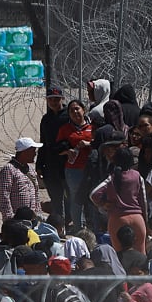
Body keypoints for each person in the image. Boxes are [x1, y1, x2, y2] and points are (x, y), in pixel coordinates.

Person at [90, 147, 149, 254]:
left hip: (117, 219)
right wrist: (145, 220)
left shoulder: (112, 178)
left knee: (119, 254)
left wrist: (103, 204)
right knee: (141, 253)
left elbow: (93, 194)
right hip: (137, 218)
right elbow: (143, 200)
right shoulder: (137, 176)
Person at [56, 99, 93, 231]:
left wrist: (89, 144)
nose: (75, 112)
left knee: (92, 197)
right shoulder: (65, 129)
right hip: (73, 170)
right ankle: (79, 228)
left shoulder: (92, 127)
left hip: (91, 168)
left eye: (77, 108)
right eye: (71, 110)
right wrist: (67, 151)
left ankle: (91, 227)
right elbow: (57, 148)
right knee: (76, 198)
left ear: (84, 110)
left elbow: (100, 144)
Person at [36, 86, 70, 220]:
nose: (54, 102)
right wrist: (39, 164)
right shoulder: (46, 119)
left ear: (62, 99)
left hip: (67, 163)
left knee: (70, 196)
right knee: (55, 197)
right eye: (51, 100)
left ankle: (69, 221)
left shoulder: (69, 116)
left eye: (56, 99)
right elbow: (43, 142)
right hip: (50, 164)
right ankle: (58, 222)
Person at [0, 137, 41, 222]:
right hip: (17, 219)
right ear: (24, 152)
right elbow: (4, 196)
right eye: (33, 151)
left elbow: (36, 193)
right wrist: (10, 219)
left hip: (32, 219)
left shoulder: (30, 170)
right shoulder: (9, 169)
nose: (35, 154)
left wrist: (38, 213)